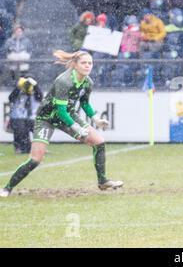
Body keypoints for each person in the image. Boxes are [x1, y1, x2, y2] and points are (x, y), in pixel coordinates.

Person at [0, 50, 123, 198]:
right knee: (35, 160)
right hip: (47, 118)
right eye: (84, 63)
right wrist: (76, 127)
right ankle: (7, 188)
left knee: (99, 142)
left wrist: (96, 119)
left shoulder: (88, 82)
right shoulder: (64, 81)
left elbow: (84, 103)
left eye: (90, 63)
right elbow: (60, 111)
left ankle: (103, 181)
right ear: (75, 65)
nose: (87, 66)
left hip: (68, 115)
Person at [8, 76, 43, 154]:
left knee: (39, 131)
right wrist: (18, 87)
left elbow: (40, 97)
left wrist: (36, 85)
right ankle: (20, 148)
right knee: (20, 131)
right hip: (18, 116)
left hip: (31, 117)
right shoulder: (18, 92)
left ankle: (39, 148)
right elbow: (11, 98)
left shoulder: (35, 93)